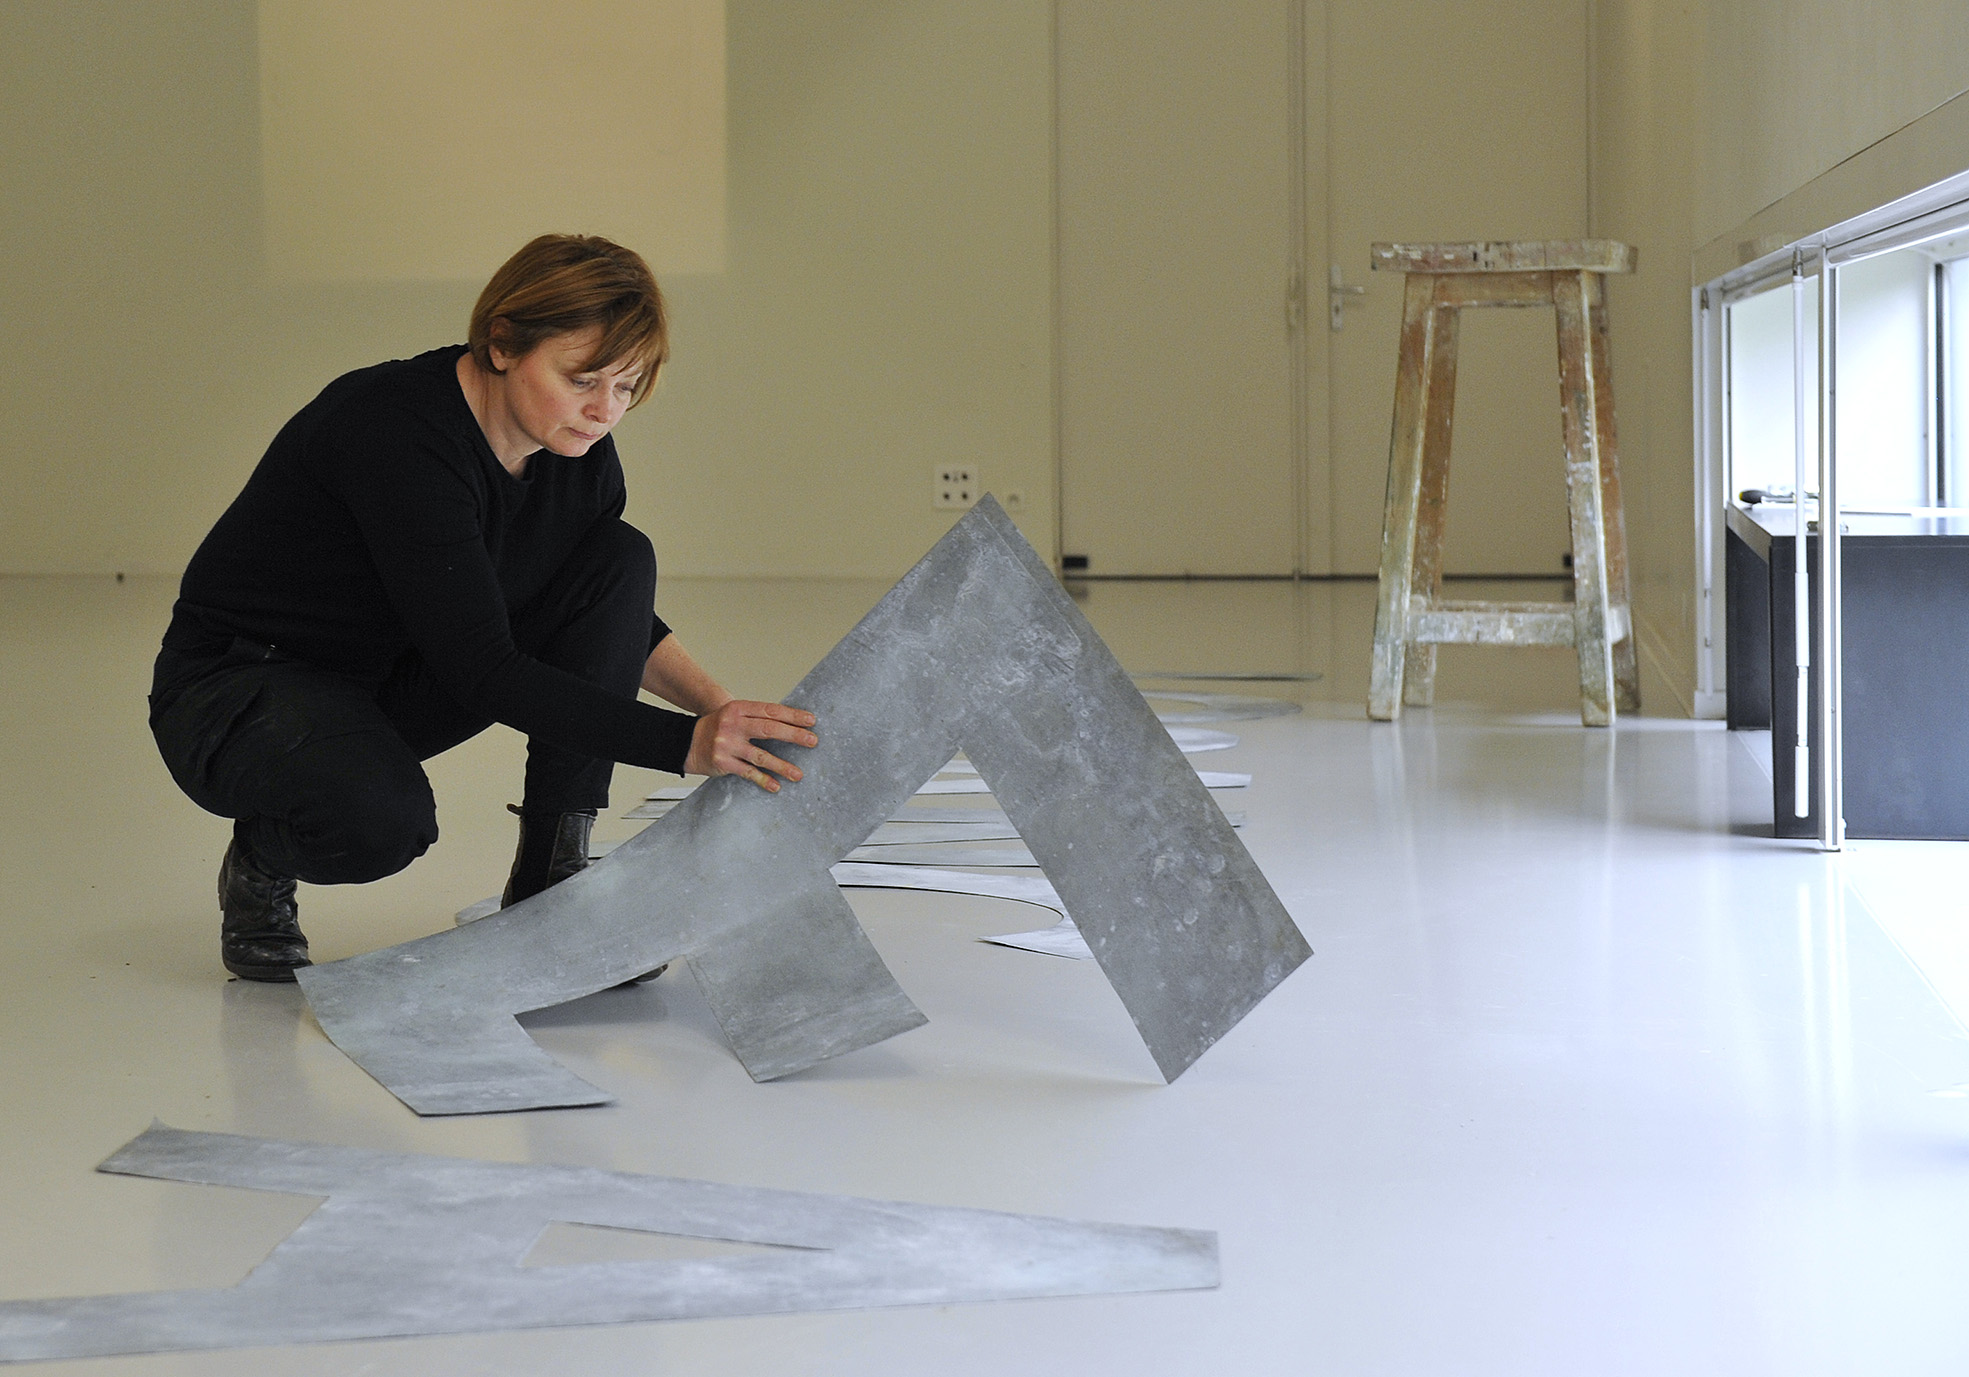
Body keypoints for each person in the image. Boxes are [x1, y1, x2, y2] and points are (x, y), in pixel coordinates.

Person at [148, 234, 817, 982]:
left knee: (618, 555)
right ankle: (264, 854)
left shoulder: (572, 451)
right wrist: (686, 744)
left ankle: (551, 881)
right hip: (241, 690)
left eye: (627, 387)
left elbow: (605, 614)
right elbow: (484, 670)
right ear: (502, 343)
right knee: (382, 823)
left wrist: (721, 712)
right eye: (583, 379)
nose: (605, 411)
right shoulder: (394, 432)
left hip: (394, 667)